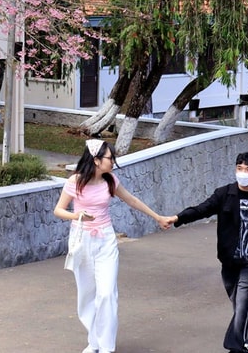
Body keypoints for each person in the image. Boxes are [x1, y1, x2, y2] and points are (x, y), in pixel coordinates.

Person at [53, 139, 173, 353]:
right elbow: (58, 210)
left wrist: (157, 217)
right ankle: (94, 342)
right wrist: (76, 215)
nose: (113, 161)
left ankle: (106, 346)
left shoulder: (110, 181)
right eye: (110, 158)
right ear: (96, 160)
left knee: (107, 293)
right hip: (81, 240)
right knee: (86, 294)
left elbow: (132, 200)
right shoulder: (75, 181)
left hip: (106, 240)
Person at [165, 152, 248, 353]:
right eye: (239, 168)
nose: (243, 173)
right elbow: (201, 210)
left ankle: (236, 347)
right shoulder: (224, 194)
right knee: (238, 303)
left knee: (243, 300)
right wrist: (177, 218)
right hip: (229, 260)